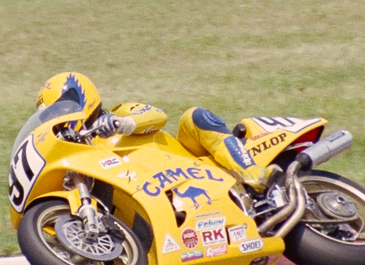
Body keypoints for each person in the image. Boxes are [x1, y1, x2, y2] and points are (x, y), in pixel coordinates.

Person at [35, 72, 280, 193]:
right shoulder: (79, 157)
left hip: (191, 166)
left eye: (64, 106)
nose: (61, 116)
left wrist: (123, 123)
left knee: (193, 117)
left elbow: (158, 116)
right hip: (158, 194)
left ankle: (254, 174)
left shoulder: (122, 112)